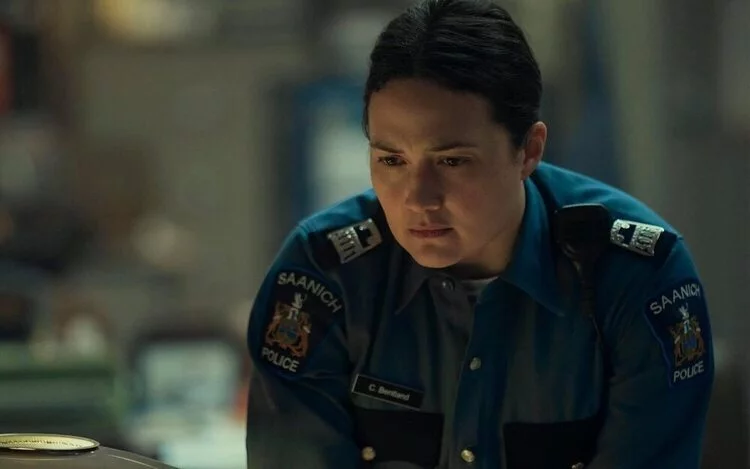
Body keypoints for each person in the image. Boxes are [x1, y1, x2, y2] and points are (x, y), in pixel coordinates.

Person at [245, 0, 714, 467]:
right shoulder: (323, 276)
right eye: (391, 160)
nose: (418, 198)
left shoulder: (635, 276)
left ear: (529, 150)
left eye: (452, 161)